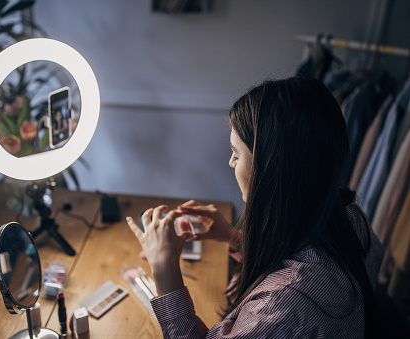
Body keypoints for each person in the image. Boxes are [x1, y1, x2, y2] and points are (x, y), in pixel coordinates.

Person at [126, 77, 384, 338]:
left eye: (236, 155)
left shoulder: (280, 311)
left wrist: (164, 268)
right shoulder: (352, 220)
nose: (230, 163)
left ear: (271, 171)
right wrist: (235, 239)